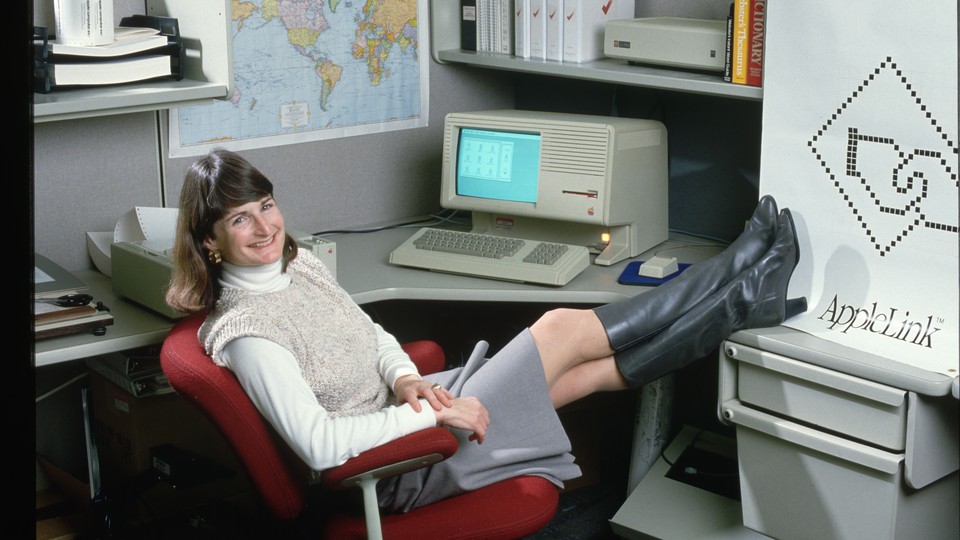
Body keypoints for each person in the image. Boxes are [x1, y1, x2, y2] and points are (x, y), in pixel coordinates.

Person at [165, 148, 805, 513]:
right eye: (240, 220)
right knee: (556, 330)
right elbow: (321, 446)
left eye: (266, 206)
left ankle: (741, 296)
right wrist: (432, 420)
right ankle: (738, 278)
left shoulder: (297, 264)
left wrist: (407, 377)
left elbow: (371, 335)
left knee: (577, 373)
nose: (264, 227)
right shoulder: (247, 331)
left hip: (414, 408)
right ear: (210, 241)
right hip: (392, 468)